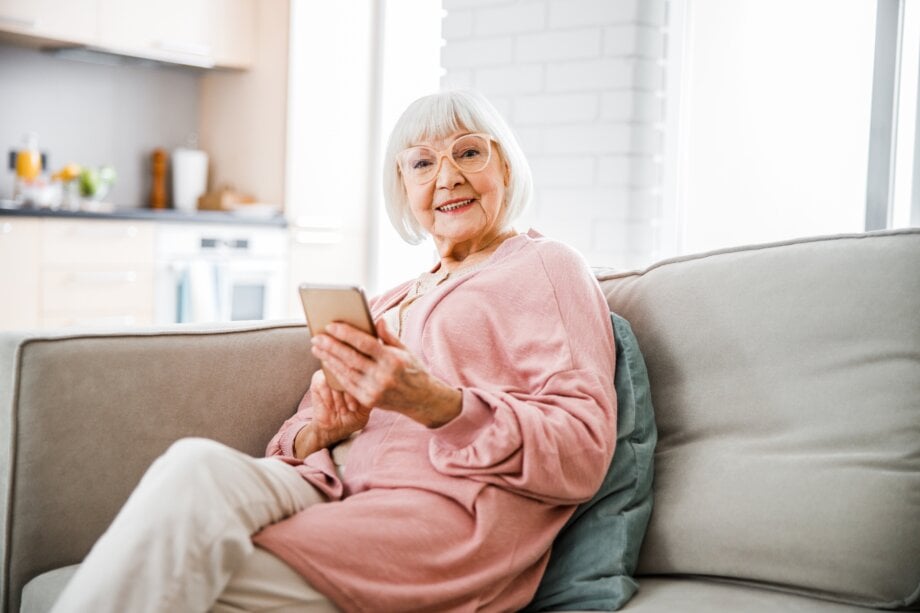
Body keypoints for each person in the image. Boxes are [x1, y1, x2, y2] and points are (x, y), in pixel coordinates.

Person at [51, 90, 617, 613]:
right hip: (330, 488)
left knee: (187, 567)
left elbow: (583, 449)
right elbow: (297, 430)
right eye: (421, 163)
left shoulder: (546, 267)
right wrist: (322, 429)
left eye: (469, 153)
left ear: (506, 166)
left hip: (440, 516)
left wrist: (438, 404)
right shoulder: (387, 300)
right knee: (194, 466)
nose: (447, 177)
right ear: (402, 187)